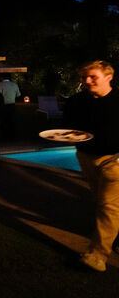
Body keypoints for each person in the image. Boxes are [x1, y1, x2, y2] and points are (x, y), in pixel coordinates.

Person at [64, 61, 119, 272]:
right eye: (84, 77)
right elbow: (69, 126)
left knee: (108, 206)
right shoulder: (77, 101)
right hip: (85, 158)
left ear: (108, 77)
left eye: (92, 77)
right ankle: (112, 236)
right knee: (101, 202)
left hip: (113, 161)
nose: (87, 81)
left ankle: (97, 256)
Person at [0, 74, 21, 138]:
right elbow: (18, 95)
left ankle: (4, 135)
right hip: (12, 105)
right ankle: (12, 135)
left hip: (3, 105)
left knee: (3, 120)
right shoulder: (14, 85)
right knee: (12, 120)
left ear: (2, 77)